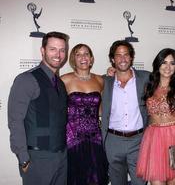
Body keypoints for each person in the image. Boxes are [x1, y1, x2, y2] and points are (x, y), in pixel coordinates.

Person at [8, 31, 69, 185]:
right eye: (53, 49)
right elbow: (15, 122)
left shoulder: (60, 83)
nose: (58, 54)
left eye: (62, 50)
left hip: (61, 157)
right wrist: (23, 159)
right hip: (37, 159)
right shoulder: (26, 79)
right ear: (43, 51)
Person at [136, 48, 175, 185]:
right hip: (153, 141)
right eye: (164, 62)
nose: (167, 67)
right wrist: (111, 71)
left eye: (172, 63)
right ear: (158, 64)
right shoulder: (149, 86)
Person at [101, 40, 149, 185]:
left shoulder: (146, 77)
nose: (123, 59)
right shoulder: (104, 81)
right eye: (118, 55)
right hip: (113, 141)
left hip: (139, 140)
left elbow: (167, 81)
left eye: (126, 54)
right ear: (112, 59)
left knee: (140, 182)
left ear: (131, 57)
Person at [61, 44, 109, 185]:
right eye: (78, 54)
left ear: (91, 58)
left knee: (96, 177)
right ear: (73, 59)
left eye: (86, 53)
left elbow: (101, 110)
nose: (83, 57)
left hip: (95, 138)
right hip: (73, 138)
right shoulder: (64, 80)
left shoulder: (100, 80)